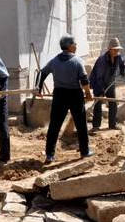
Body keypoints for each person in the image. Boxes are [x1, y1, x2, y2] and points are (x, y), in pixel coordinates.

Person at [37, 35, 94, 164]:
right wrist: (88, 93)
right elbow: (84, 80)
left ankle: (49, 155)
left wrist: (38, 89)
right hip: (75, 95)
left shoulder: (54, 61)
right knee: (81, 124)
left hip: (59, 95)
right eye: (75, 44)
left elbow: (42, 72)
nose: (76, 46)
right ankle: (84, 151)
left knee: (54, 125)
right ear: (69, 46)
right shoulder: (77, 61)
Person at [89, 38, 125, 131]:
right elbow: (99, 77)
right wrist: (101, 91)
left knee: (113, 103)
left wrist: (122, 71)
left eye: (118, 50)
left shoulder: (118, 56)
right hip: (98, 83)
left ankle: (112, 125)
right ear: (110, 49)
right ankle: (96, 126)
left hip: (110, 82)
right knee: (98, 104)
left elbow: (122, 63)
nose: (117, 51)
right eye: (115, 49)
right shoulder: (102, 60)